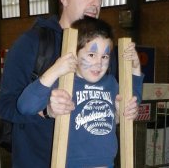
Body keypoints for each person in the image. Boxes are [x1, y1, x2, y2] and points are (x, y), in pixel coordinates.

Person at [0, 0, 140, 168]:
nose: (96, 3)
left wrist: (127, 107)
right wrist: (46, 111)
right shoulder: (32, 43)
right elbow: (6, 106)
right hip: (37, 162)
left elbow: (117, 100)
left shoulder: (102, 49)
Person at [17, 17, 144, 168]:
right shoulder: (64, 82)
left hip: (107, 164)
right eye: (91, 55)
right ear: (75, 54)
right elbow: (24, 106)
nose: (99, 63)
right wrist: (55, 70)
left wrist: (135, 69)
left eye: (105, 56)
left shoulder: (110, 83)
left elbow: (132, 100)